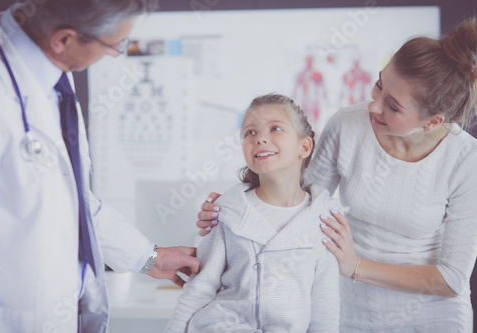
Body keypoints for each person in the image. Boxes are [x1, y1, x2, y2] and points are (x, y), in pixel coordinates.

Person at [198, 19, 477, 332]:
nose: (373, 106)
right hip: (349, 310)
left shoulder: (465, 159)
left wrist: (355, 266)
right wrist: (234, 210)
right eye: (380, 85)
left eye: (393, 106)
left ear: (431, 121)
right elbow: (298, 201)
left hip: (432, 317)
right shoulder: (347, 124)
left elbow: (451, 279)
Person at [0, 1, 199, 332]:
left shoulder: (50, 77)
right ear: (63, 40)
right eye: (114, 44)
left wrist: (151, 258)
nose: (116, 54)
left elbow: (73, 203)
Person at [165, 94, 345, 332]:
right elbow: (200, 289)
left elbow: (325, 309)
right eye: (250, 132)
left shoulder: (324, 220)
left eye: (275, 129)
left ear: (304, 146)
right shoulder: (227, 212)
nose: (261, 138)